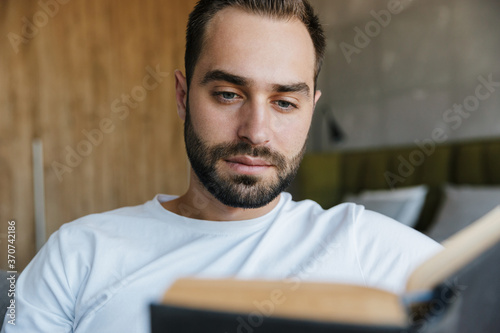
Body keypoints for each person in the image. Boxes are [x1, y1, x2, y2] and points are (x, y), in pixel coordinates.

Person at [2, 1, 442, 332]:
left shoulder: (372, 250)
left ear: (311, 110)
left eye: (285, 102)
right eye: (229, 94)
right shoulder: (77, 253)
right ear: (182, 96)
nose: (256, 132)